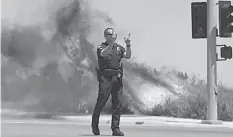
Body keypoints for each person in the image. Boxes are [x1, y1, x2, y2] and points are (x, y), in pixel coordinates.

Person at [92, 28, 132, 136]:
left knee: (117, 103)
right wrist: (111, 44)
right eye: (112, 33)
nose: (114, 34)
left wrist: (128, 45)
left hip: (117, 78)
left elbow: (128, 56)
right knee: (101, 102)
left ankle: (116, 129)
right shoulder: (102, 47)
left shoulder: (119, 47)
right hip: (106, 79)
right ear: (106, 36)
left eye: (114, 33)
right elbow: (103, 54)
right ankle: (94, 124)